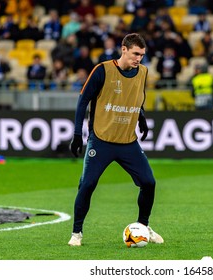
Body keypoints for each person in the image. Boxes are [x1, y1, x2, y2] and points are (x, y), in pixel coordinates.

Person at [68, 33, 163, 246]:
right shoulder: (103, 70)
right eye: (135, 54)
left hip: (128, 141)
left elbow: (135, 98)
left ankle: (143, 226)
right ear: (124, 49)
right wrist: (77, 133)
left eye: (142, 55)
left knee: (149, 182)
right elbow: (83, 101)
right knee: (88, 184)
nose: (139, 59)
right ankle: (76, 233)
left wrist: (142, 117)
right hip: (101, 140)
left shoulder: (143, 72)